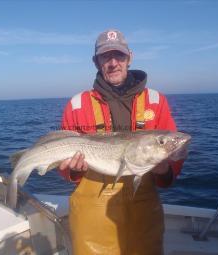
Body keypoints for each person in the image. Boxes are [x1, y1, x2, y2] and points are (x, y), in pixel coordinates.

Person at [58, 29, 184, 255]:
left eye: (120, 56)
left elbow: (171, 170)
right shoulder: (76, 105)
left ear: (130, 58)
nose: (113, 63)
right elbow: (66, 170)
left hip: (144, 211)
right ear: (96, 62)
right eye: (106, 57)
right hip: (91, 216)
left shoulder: (156, 101)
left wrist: (165, 170)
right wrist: (73, 171)